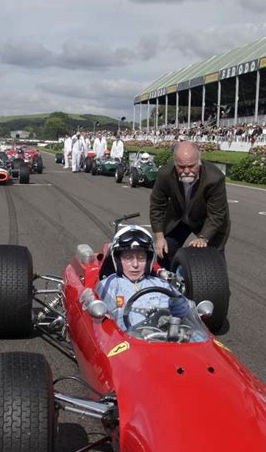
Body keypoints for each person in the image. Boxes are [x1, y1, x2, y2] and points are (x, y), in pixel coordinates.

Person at [150, 141, 230, 269]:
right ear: (174, 163)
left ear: (199, 161)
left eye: (192, 166)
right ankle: (166, 285)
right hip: (179, 218)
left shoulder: (215, 178)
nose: (186, 171)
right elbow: (157, 206)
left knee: (215, 263)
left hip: (208, 221)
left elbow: (217, 214)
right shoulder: (165, 174)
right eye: (181, 167)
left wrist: (203, 238)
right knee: (165, 251)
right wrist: (159, 237)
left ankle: (219, 287)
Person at [96, 225, 189, 330]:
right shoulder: (109, 284)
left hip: (164, 338)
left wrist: (182, 307)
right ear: (118, 260)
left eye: (141, 258)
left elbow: (186, 309)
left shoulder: (161, 284)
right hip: (129, 341)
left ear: (148, 260)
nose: (135, 264)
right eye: (128, 257)